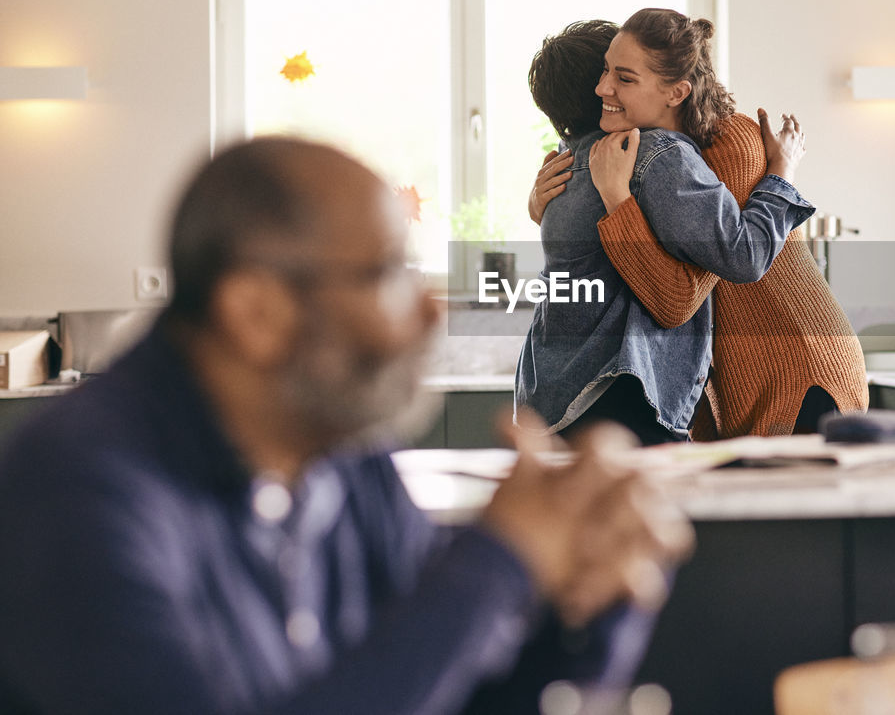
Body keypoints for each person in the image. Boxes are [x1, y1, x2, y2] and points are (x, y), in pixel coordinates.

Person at [0, 136, 693, 715]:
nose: (432, 314)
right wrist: (497, 562)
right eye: (390, 274)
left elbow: (445, 694)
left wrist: (586, 610)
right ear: (257, 313)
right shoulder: (75, 495)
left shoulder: (344, 458)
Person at [532, 10, 867, 438]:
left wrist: (782, 172)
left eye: (623, 77)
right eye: (603, 73)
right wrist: (549, 203)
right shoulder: (644, 151)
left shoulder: (721, 146)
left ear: (675, 91)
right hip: (744, 376)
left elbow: (677, 297)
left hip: (797, 361)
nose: (604, 88)